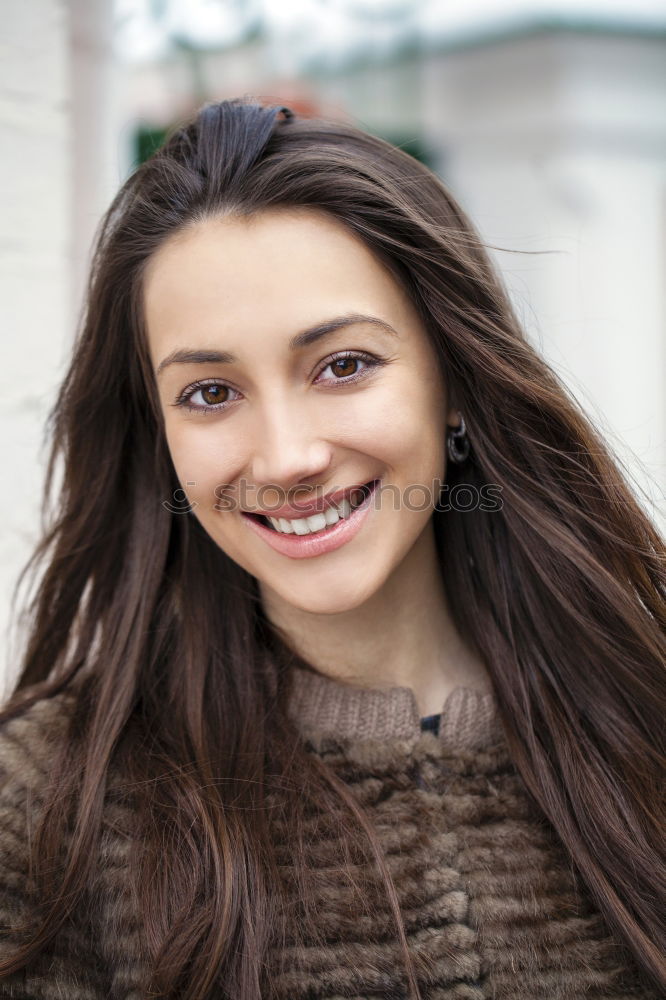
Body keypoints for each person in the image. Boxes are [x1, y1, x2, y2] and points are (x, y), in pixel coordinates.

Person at [0, 97, 663, 1000]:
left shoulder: (642, 714)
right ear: (157, 434)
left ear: (454, 379)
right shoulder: (44, 812)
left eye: (343, 365)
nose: (287, 458)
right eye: (208, 393)